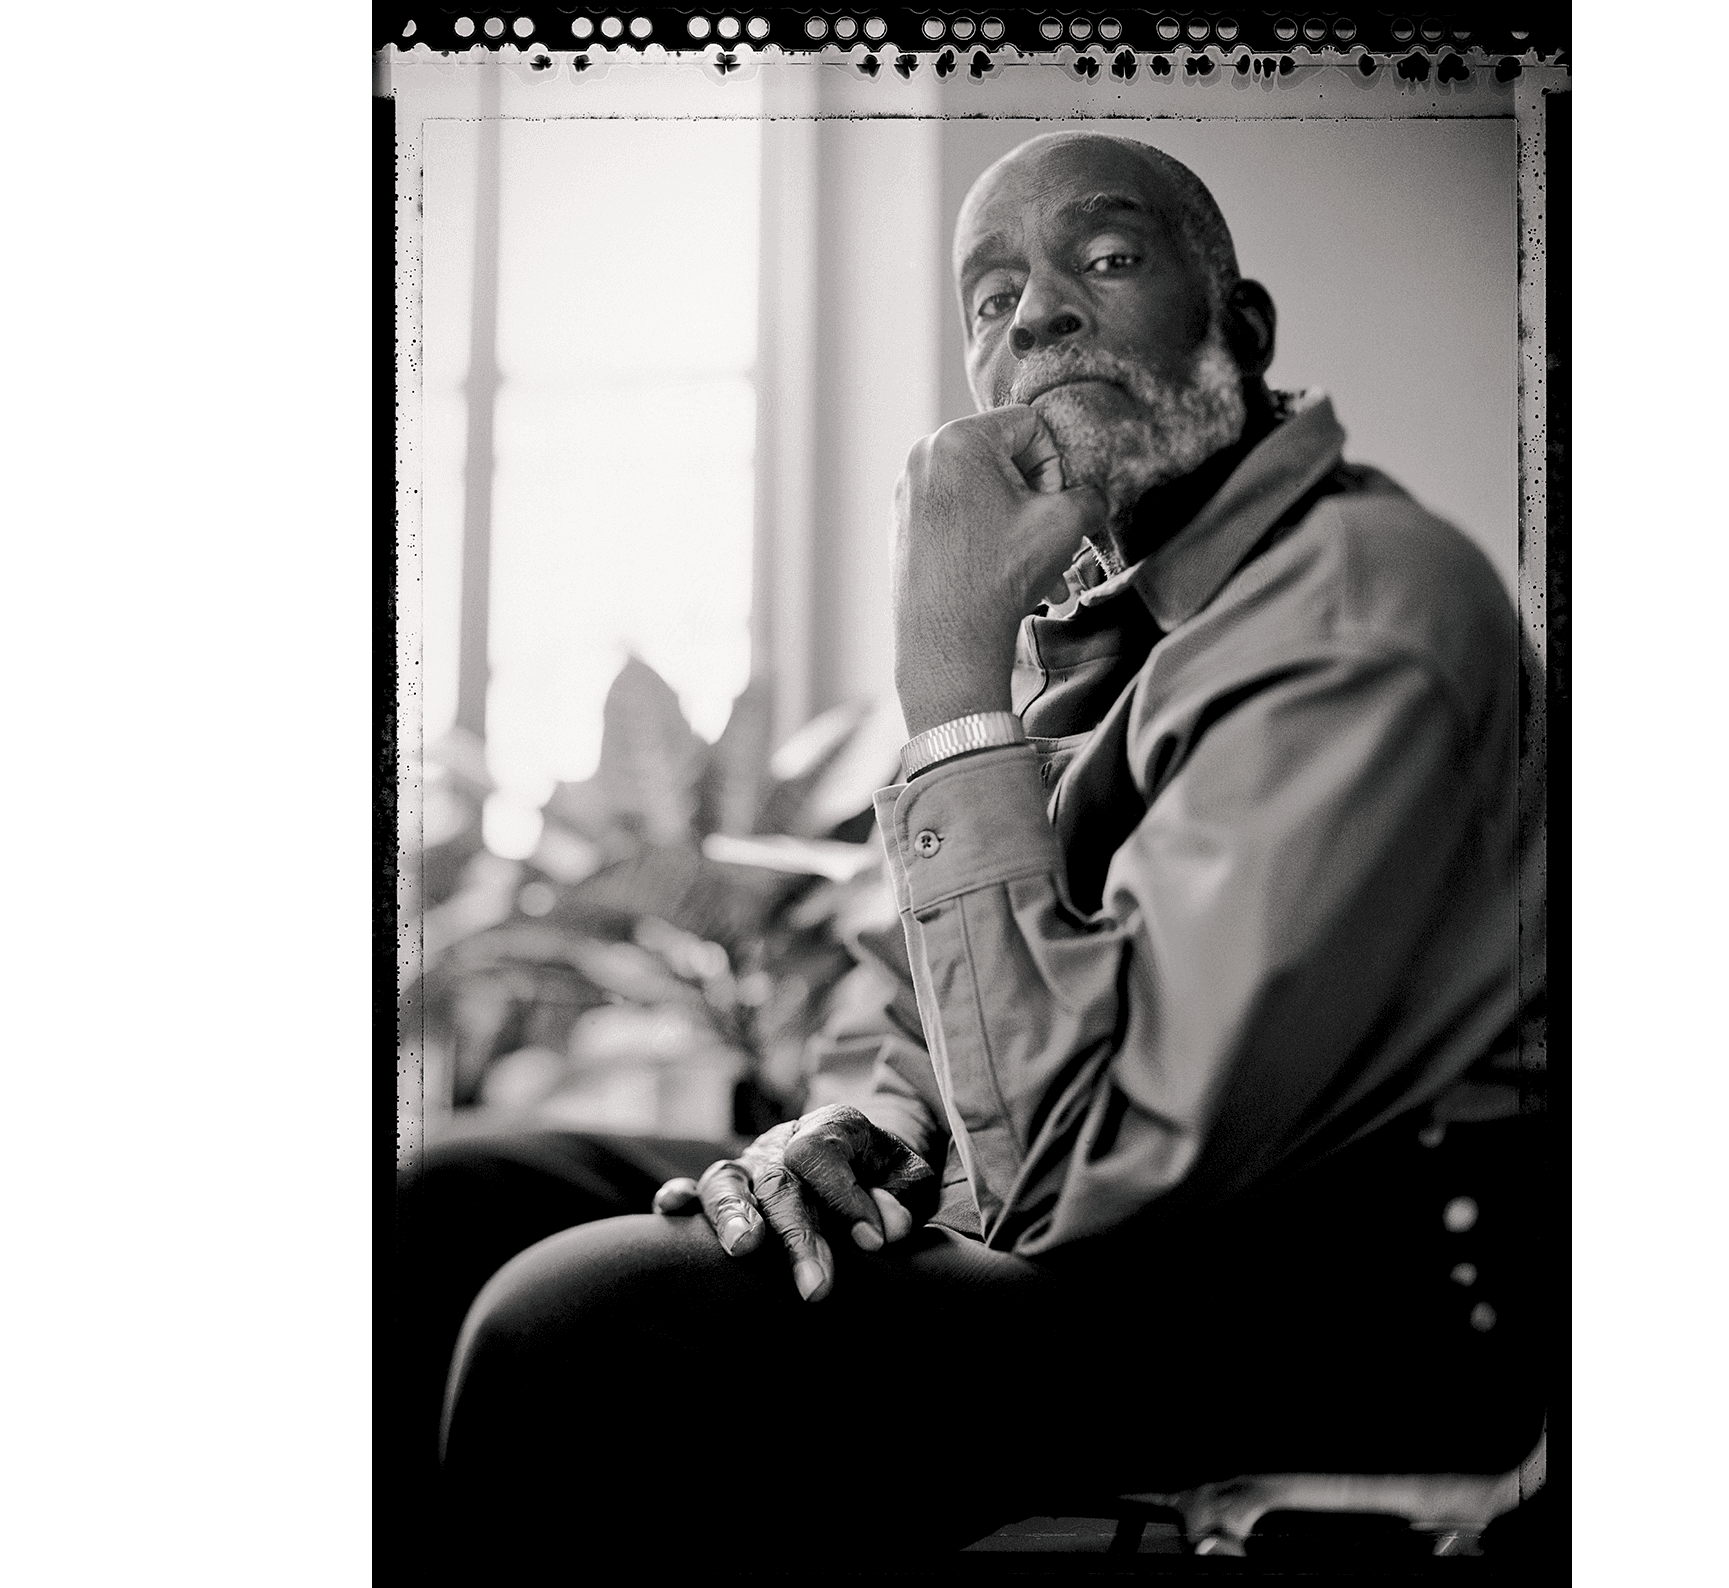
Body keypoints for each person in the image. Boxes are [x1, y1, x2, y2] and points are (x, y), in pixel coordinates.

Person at [410, 132, 1549, 1573]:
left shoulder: (1358, 609)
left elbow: (1080, 1175)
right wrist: (851, 1137)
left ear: (1240, 331)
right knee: (446, 1210)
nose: (1038, 314)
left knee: (577, 1335)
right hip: (1093, 1220)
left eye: (1110, 260)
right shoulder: (1114, 633)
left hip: (1325, 1299)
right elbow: (941, 1029)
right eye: (990, 295)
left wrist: (953, 699)